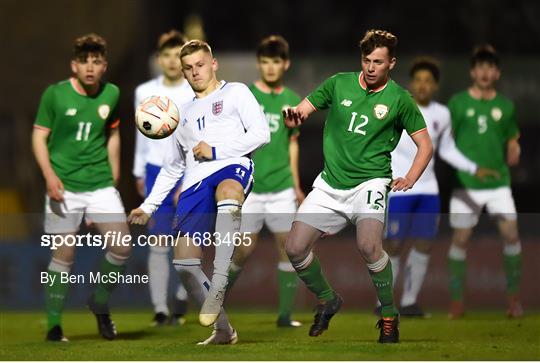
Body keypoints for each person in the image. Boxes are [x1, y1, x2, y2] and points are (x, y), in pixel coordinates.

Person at [282, 29, 433, 343]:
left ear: (391, 63)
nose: (371, 67)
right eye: (367, 60)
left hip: (371, 183)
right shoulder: (339, 83)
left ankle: (389, 314)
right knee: (294, 248)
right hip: (329, 184)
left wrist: (410, 177)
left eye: (378, 61)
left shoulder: (400, 99)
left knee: (368, 246)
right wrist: (295, 117)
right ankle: (327, 299)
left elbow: (425, 145)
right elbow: (303, 109)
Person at [129, 40, 270, 344]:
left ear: (213, 63)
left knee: (229, 191)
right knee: (184, 264)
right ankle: (223, 331)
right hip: (195, 182)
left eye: (200, 65)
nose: (196, 72)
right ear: (183, 72)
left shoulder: (236, 92)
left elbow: (261, 134)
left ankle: (220, 277)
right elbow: (171, 168)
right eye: (189, 68)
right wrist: (148, 206)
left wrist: (216, 150)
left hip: (231, 165)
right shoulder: (179, 115)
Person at [381, 57, 500, 317]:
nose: (423, 85)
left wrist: (473, 168)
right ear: (411, 83)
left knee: (424, 243)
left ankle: (410, 301)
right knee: (394, 244)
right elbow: (383, 145)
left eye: (428, 81)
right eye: (418, 80)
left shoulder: (442, 114)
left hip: (428, 191)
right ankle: (385, 301)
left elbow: (446, 149)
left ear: (435, 86)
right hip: (399, 189)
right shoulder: (398, 107)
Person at [33, 33, 131, 341]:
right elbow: (38, 136)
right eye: (84, 61)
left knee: (122, 246)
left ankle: (99, 301)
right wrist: (49, 175)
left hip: (99, 184)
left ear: (105, 66)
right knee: (64, 255)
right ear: (73, 65)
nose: (90, 67)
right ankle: (54, 325)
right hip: (64, 185)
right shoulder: (55, 94)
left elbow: (113, 132)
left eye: (97, 61)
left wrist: (114, 172)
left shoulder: (112, 93)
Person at [226, 35, 304, 328]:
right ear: (258, 64)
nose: (270, 68)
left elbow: (293, 143)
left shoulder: (293, 99)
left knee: (289, 249)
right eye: (265, 62)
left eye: (276, 62)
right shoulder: (245, 96)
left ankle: (285, 315)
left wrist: (296, 184)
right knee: (244, 248)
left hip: (282, 186)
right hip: (252, 187)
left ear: (285, 64)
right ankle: (216, 302)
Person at [447, 45, 523, 319]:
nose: (484, 71)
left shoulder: (505, 106)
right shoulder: (457, 103)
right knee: (461, 239)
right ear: (472, 71)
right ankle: (456, 303)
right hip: (466, 184)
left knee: (511, 235)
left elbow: (512, 136)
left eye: (490, 66)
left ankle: (514, 301)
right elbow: (446, 137)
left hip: (498, 183)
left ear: (497, 72)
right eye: (479, 66)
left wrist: (515, 147)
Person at [133, 30, 195, 327]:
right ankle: (159, 307)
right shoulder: (144, 91)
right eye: (167, 55)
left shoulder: (193, 91)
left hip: (186, 172)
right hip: (155, 169)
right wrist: (138, 172)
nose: (172, 61)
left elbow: (197, 137)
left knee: (187, 240)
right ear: (159, 59)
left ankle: (182, 297)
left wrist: (188, 179)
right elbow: (140, 136)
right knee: (158, 242)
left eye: (177, 55)